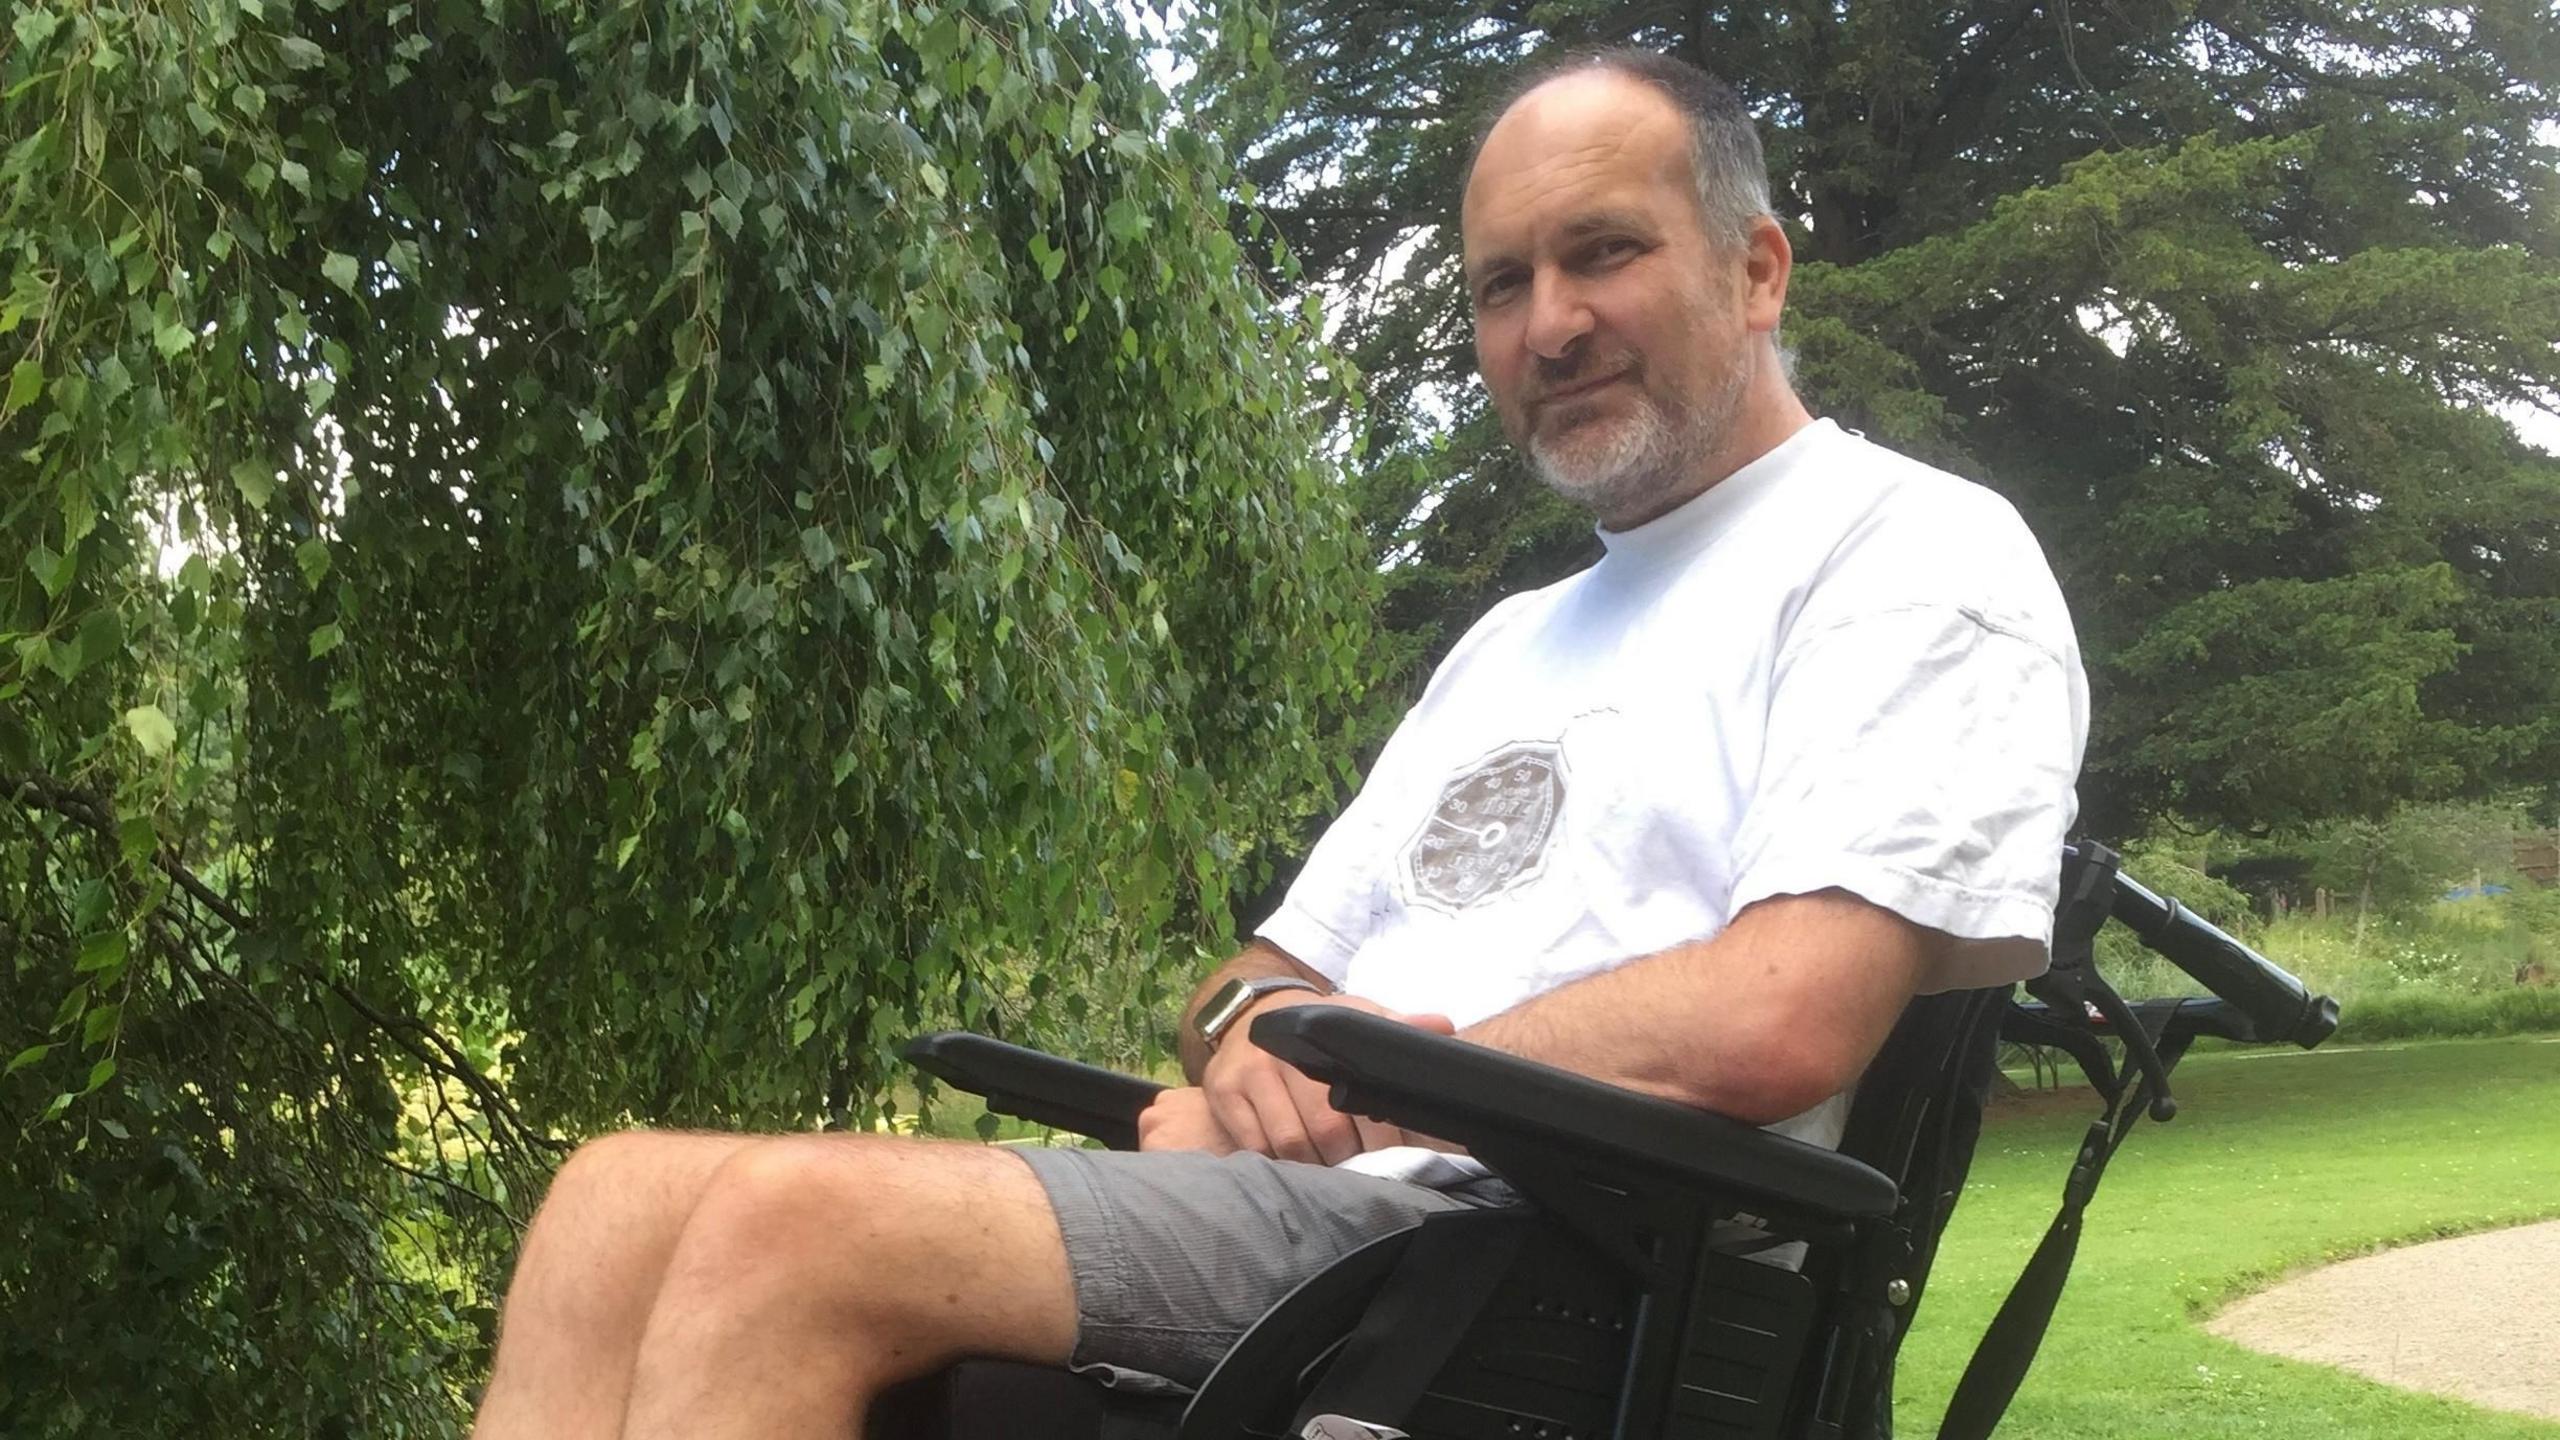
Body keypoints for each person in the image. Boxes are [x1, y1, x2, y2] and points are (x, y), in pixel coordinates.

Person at [468, 48, 2087, 1440]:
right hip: (1336, 1209)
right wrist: (1253, 1052)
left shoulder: (1907, 550)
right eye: (1500, 284)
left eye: (1604, 253)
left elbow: (1782, 1017)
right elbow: (1252, 973)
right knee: (612, 1200)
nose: (1548, 325)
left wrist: (1371, 1086)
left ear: (1756, 269)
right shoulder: (1512, 642)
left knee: (785, 1228)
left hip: (1572, 1261)